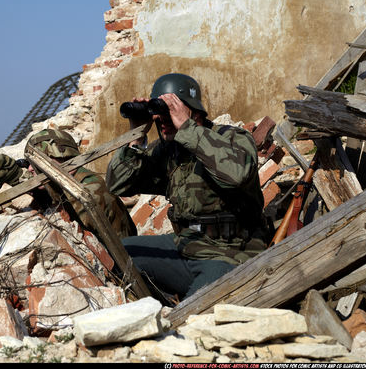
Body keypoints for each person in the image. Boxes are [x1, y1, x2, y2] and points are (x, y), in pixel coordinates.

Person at [106, 73, 271, 303]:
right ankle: (157, 306)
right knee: (112, 254)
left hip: (231, 254)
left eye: (169, 110)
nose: (161, 119)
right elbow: (117, 183)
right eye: (158, 112)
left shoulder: (232, 137)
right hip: (185, 248)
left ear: (192, 110)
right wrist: (136, 137)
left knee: (190, 319)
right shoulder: (168, 151)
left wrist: (186, 128)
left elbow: (238, 174)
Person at [26, 128, 137, 240]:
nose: (30, 168)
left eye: (37, 161)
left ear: (63, 156)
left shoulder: (86, 190)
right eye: (29, 163)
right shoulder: (67, 184)